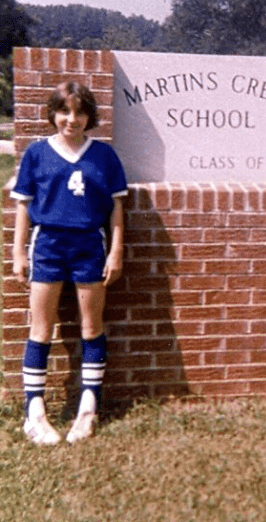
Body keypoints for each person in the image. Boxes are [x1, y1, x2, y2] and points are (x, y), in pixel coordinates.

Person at [11, 81, 128, 445]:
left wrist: (116, 250)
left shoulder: (104, 156)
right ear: (53, 114)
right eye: (64, 111)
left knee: (91, 327)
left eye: (79, 112)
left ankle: (88, 407)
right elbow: (23, 205)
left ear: (90, 116)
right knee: (41, 328)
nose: (71, 119)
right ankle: (35, 412)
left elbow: (117, 209)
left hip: (88, 245)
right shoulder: (37, 153)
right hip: (47, 243)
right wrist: (18, 252)